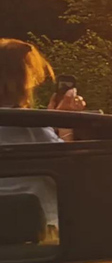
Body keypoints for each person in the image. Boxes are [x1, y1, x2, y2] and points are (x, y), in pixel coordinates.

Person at [0, 38, 87, 242]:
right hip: (41, 242)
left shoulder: (35, 127)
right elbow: (70, 172)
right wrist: (65, 122)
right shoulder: (31, 128)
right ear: (24, 82)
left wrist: (50, 120)